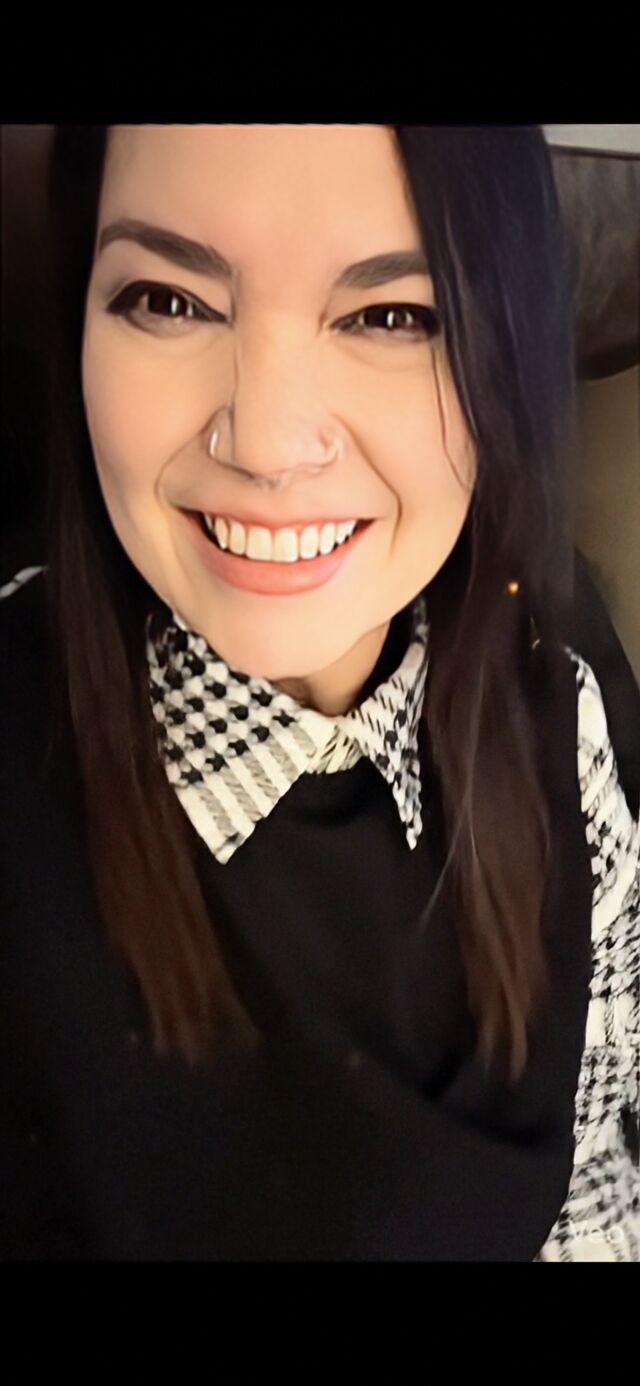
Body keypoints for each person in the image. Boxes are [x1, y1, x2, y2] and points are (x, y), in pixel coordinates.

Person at [0, 124, 638, 1261]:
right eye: (168, 301)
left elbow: (597, 1182)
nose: (268, 443)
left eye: (391, 316)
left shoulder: (562, 693)